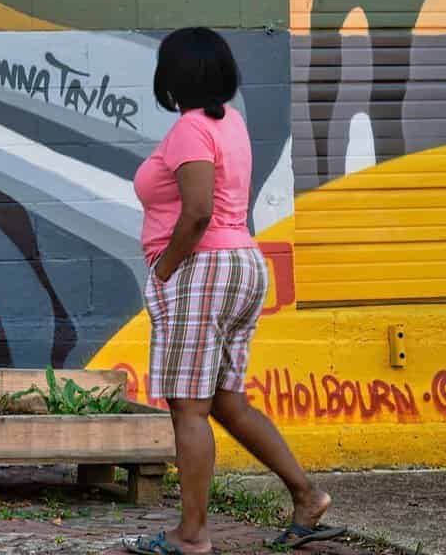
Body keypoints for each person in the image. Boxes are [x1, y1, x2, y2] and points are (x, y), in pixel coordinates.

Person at [123, 28, 340, 555]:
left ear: (173, 77)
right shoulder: (231, 123)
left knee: (187, 408)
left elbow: (197, 211)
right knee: (226, 401)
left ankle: (191, 535)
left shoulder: (190, 130)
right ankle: (307, 496)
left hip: (202, 270)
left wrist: (165, 270)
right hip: (241, 263)